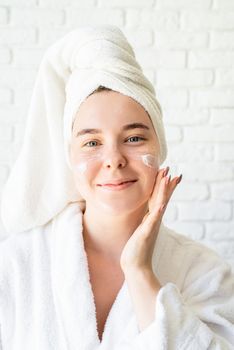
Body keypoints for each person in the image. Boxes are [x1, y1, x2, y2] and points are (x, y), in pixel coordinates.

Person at [0, 25, 233, 350]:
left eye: (134, 138)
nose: (113, 159)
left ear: (161, 146)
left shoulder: (205, 273)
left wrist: (139, 272)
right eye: (92, 142)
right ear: (69, 155)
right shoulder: (14, 264)